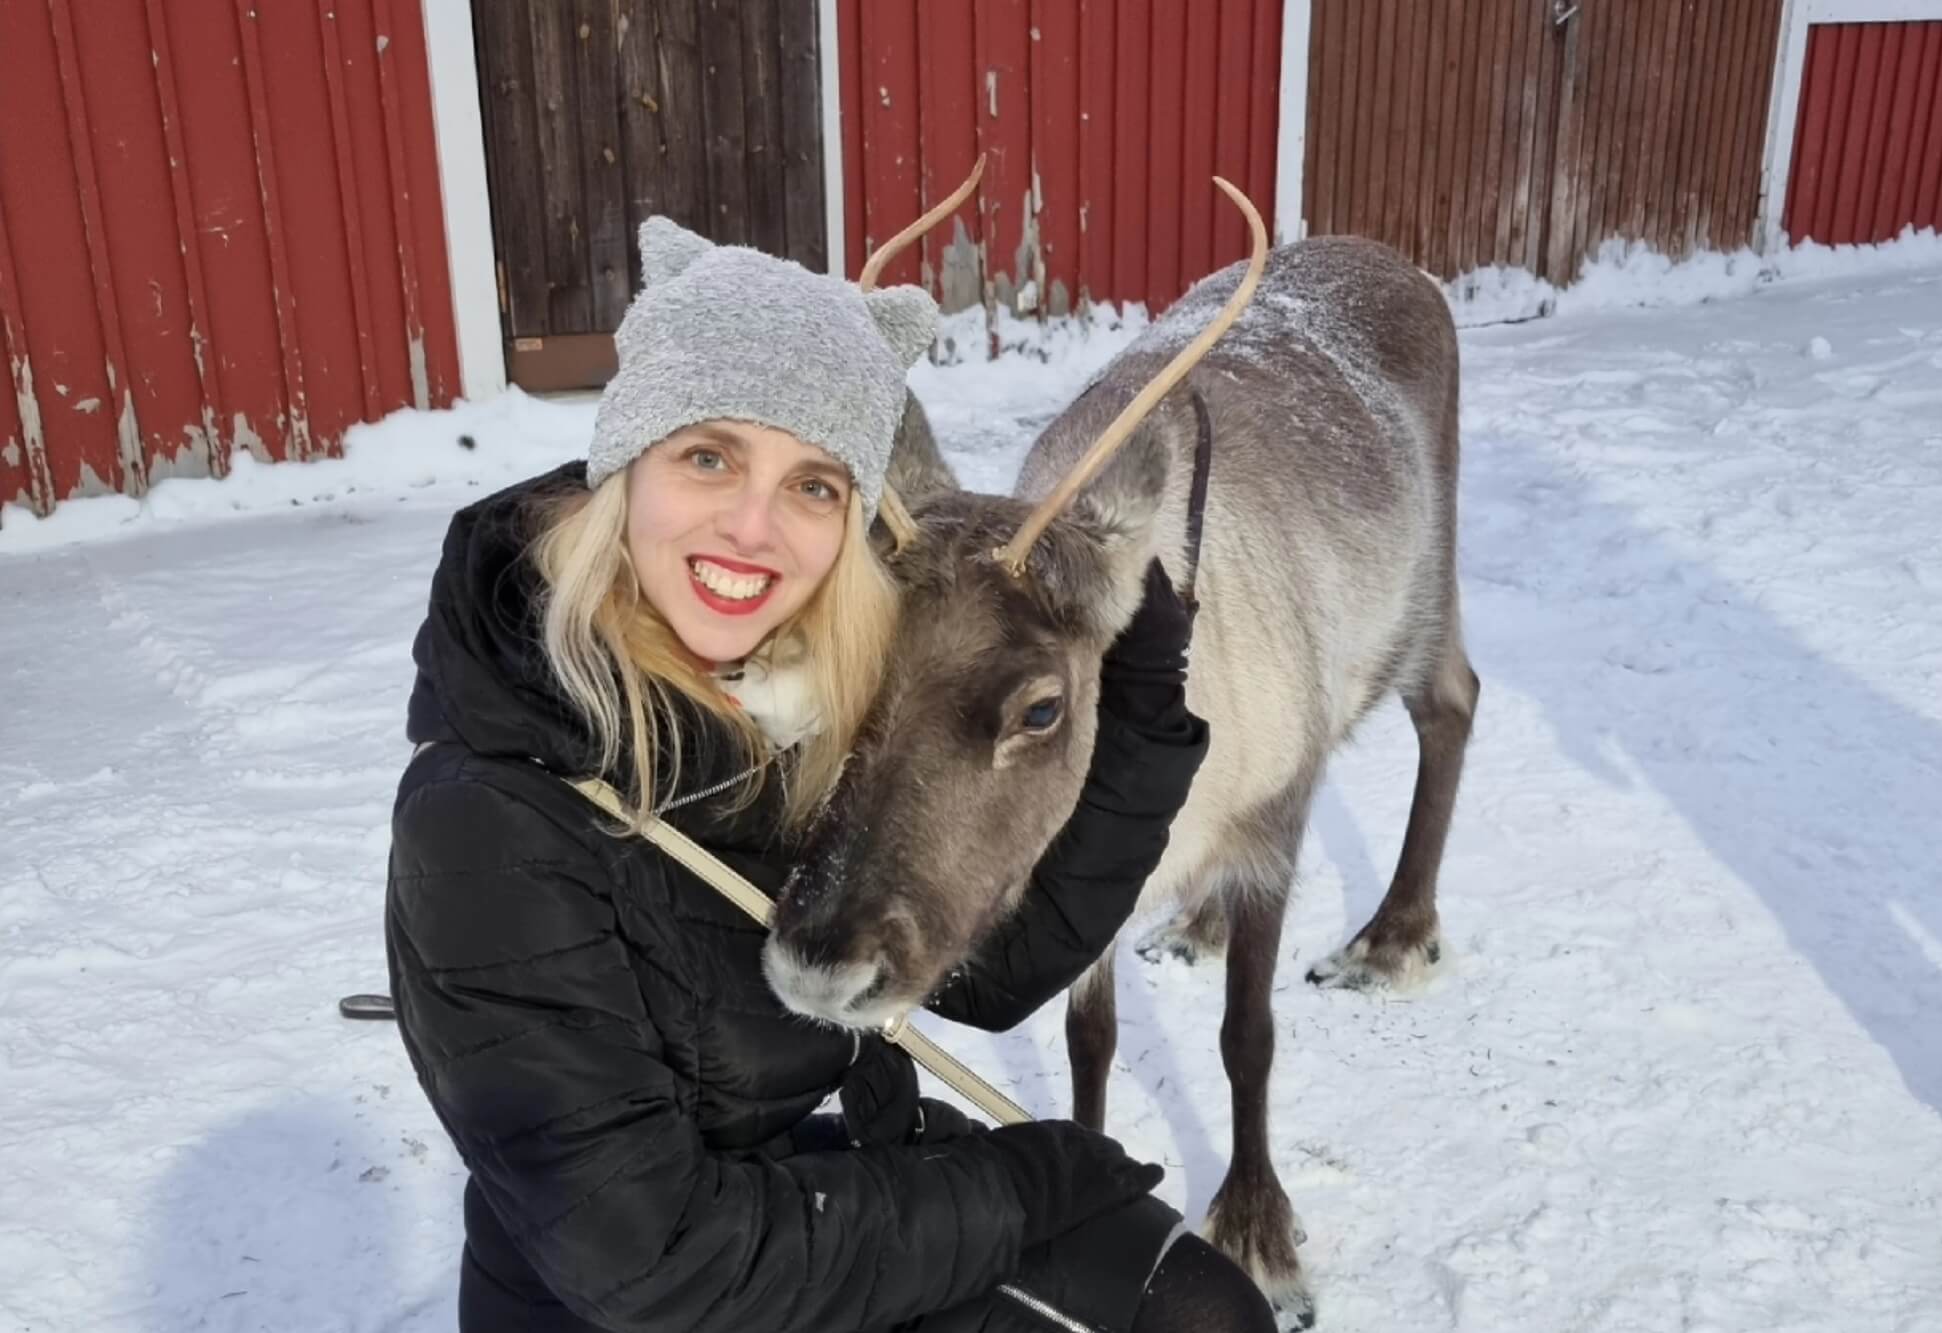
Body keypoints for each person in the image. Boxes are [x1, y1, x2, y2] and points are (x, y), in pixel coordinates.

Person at [384, 215, 1279, 1333]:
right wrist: (1019, 1187)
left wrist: (1139, 671)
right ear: (625, 464)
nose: (754, 527)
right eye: (709, 457)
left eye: (812, 484)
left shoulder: (792, 695)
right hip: (646, 1297)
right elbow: (654, 1262)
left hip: (802, 1193)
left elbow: (982, 972)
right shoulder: (484, 817)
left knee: (1203, 1311)